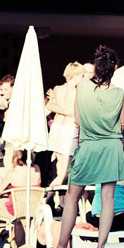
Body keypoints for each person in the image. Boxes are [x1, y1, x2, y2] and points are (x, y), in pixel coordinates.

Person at [40, 45, 124, 248]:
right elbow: (123, 124)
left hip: (88, 145)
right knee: (107, 199)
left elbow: (78, 120)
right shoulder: (119, 94)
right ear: (115, 68)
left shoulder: (83, 87)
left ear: (96, 66)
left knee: (72, 196)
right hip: (111, 147)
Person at [45, 62, 84, 191]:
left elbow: (50, 106)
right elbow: (78, 113)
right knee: (65, 172)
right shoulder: (78, 91)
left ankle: (58, 197)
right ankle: (45, 198)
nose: (83, 78)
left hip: (56, 128)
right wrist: (70, 112)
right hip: (69, 130)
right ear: (76, 75)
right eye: (82, 75)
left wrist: (62, 110)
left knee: (61, 169)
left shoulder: (57, 89)